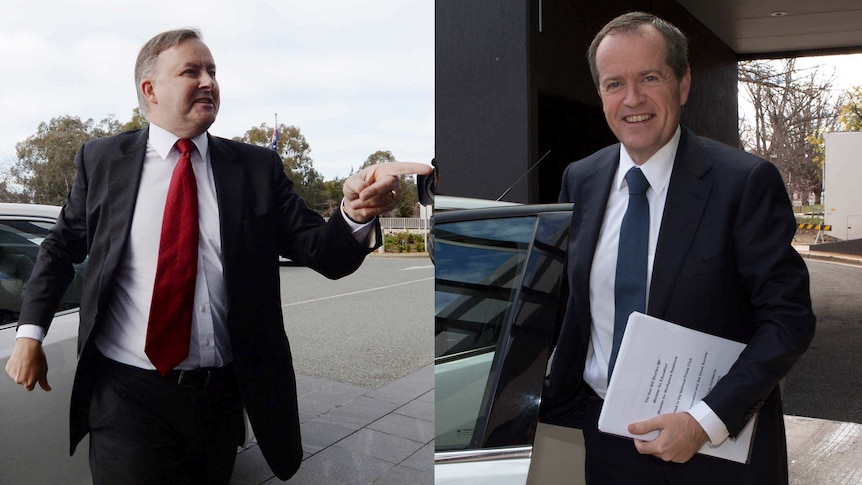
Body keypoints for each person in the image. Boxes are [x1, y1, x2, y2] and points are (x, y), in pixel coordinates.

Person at [4, 28, 431, 484]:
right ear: (150, 89)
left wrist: (352, 213)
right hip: (129, 396)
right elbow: (59, 246)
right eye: (192, 71)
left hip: (219, 400)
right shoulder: (104, 161)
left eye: (212, 71)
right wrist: (31, 332)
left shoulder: (255, 170)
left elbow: (323, 254)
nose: (208, 81)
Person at [541, 12, 815, 485]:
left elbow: (789, 321)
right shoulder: (580, 179)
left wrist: (702, 422)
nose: (632, 100)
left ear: (683, 83)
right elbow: (562, 303)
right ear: (600, 94)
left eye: (650, 77)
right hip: (607, 438)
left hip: (715, 451)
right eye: (614, 84)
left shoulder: (744, 183)